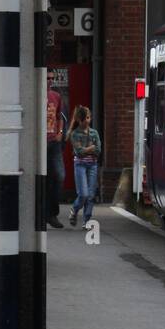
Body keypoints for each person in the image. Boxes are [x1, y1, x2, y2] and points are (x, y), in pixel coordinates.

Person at [68, 105, 101, 227]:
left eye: (88, 117)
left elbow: (98, 150)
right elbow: (79, 152)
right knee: (83, 194)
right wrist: (90, 148)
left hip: (92, 165)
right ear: (78, 120)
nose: (87, 120)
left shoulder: (94, 133)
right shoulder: (75, 134)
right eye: (84, 118)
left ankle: (87, 220)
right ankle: (74, 209)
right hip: (80, 165)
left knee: (91, 195)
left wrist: (89, 149)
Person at [45, 70, 68, 230]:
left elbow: (60, 116)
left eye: (52, 78)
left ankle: (52, 213)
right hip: (39, 142)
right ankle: (44, 213)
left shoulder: (56, 96)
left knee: (59, 175)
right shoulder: (33, 94)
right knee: (42, 178)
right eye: (47, 78)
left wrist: (60, 133)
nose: (50, 81)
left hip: (54, 141)